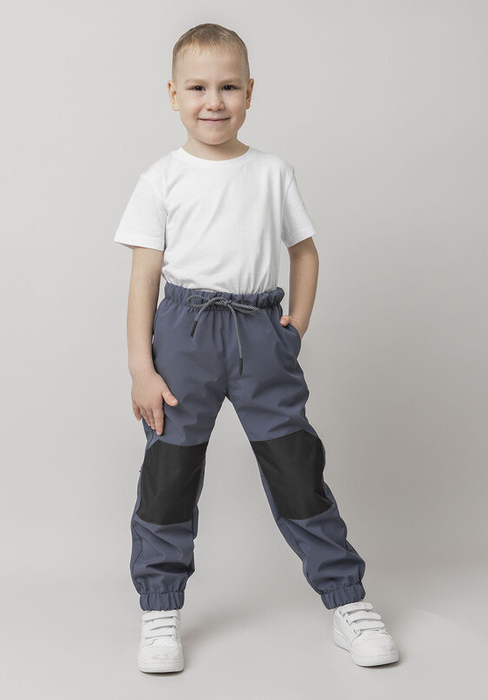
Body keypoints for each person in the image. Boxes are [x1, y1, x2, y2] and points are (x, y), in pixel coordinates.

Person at [113, 22, 400, 674]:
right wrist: (140, 368)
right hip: (183, 335)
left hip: (258, 331)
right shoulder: (160, 178)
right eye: (197, 88)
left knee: (295, 468)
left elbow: (304, 251)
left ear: (249, 91)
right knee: (169, 475)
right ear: (173, 95)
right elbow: (144, 278)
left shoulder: (271, 172)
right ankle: (159, 608)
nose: (212, 101)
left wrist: (294, 326)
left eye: (228, 87)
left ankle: (346, 600)